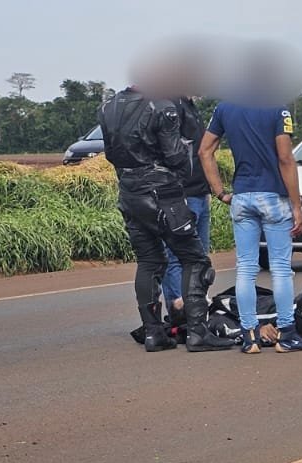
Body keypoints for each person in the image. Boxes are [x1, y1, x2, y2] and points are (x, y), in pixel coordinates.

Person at [99, 63, 233, 352]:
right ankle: (198, 332)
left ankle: (153, 332)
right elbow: (176, 156)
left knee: (149, 261)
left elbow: (110, 154)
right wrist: (178, 174)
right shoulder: (163, 107)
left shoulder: (109, 106)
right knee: (195, 259)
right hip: (163, 192)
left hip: (130, 191)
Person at [199, 96, 302, 353]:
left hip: (242, 196)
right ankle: (287, 335)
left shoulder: (225, 107)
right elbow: (285, 158)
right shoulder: (278, 109)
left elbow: (204, 150)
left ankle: (250, 337)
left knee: (246, 268)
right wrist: (297, 206)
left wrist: (219, 192)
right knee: (281, 268)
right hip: (273, 196)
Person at [159, 94, 212, 327]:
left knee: (200, 255)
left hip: (199, 192)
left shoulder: (190, 106)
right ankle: (179, 308)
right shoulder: (170, 106)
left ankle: (197, 305)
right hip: (182, 194)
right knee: (175, 255)